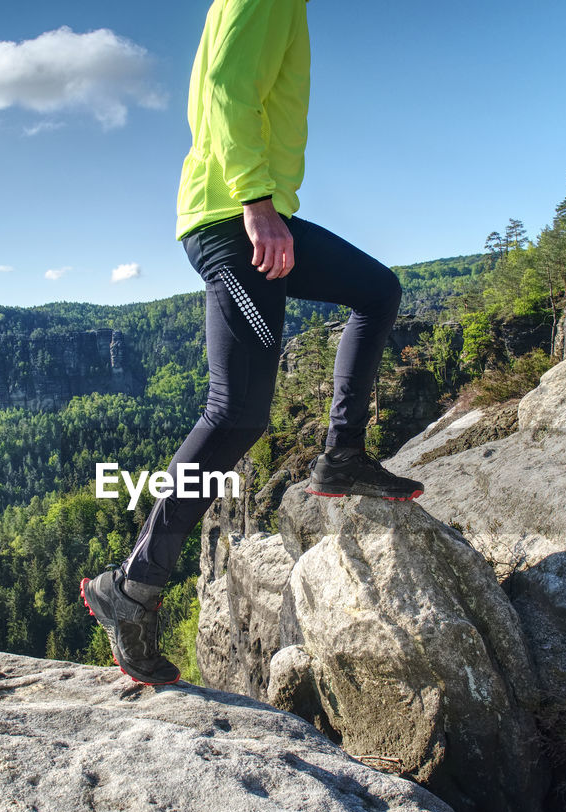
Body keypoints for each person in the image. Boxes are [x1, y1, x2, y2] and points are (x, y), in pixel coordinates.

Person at [80, 0, 423, 684]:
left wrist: (266, 205)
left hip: (256, 214)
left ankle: (342, 454)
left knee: (377, 290)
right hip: (234, 220)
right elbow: (224, 91)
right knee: (235, 413)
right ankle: (130, 587)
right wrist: (256, 201)